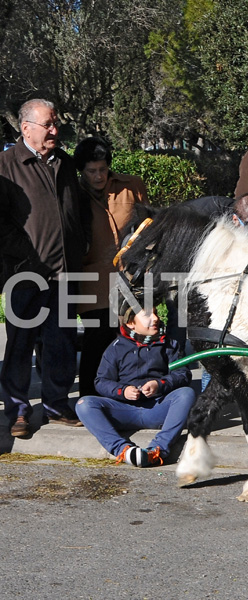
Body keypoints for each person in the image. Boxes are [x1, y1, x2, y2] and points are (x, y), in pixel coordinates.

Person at [0, 99, 91, 437]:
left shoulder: (64, 164)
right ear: (26, 129)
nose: (55, 130)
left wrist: (79, 244)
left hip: (65, 273)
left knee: (61, 343)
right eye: (48, 125)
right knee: (20, 345)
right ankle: (18, 411)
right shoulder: (6, 165)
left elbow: (77, 209)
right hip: (25, 275)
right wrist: (22, 257)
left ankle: (56, 405)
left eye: (55, 124)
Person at [72, 137, 149, 397]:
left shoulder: (131, 186)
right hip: (91, 278)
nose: (98, 176)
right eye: (91, 171)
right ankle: (89, 398)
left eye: (102, 169)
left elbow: (148, 225)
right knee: (97, 340)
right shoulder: (73, 193)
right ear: (81, 171)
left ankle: (127, 395)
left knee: (131, 339)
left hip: (131, 277)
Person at [75, 306, 196, 466]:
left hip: (157, 408)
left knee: (186, 394)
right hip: (124, 411)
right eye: (147, 315)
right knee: (84, 404)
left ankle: (157, 450)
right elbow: (101, 382)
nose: (155, 318)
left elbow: (183, 374)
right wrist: (122, 391)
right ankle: (123, 450)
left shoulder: (170, 344)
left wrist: (159, 385)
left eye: (156, 314)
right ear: (131, 323)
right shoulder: (115, 347)